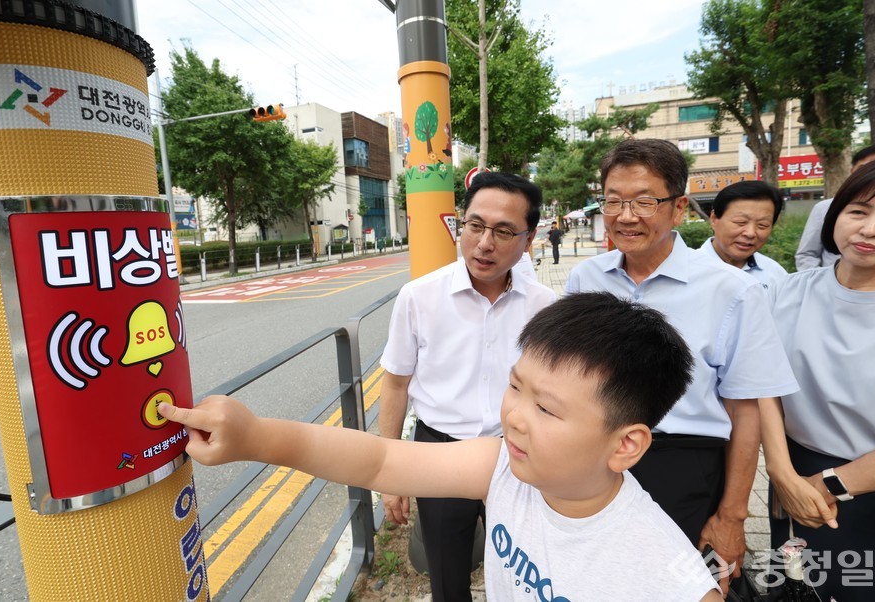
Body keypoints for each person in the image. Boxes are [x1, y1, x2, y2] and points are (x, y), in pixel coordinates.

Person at [158, 292, 722, 601]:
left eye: (546, 408)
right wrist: (255, 436)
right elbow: (381, 460)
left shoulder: (667, 577)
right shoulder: (501, 465)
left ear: (626, 445)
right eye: (514, 387)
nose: (515, 418)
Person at [565, 138, 799, 594]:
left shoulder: (732, 291)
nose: (625, 215)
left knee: (676, 587)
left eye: (644, 201)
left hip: (683, 468)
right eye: (613, 201)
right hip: (595, 458)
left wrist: (732, 515)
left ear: (678, 209)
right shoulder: (585, 279)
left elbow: (745, 409)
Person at [760, 153, 875, 601]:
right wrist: (781, 473)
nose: (870, 229)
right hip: (793, 476)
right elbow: (763, 391)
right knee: (800, 587)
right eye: (858, 210)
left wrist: (828, 485)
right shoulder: (783, 293)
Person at [379, 171, 556, 601]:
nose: (484, 243)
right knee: (447, 576)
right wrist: (391, 473)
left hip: (518, 453)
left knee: (528, 573)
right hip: (438, 451)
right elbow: (396, 385)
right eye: (474, 225)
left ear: (529, 239)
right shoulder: (418, 297)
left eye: (503, 231)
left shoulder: (546, 309)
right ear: (461, 225)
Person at [794, 143, 875, 271]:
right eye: (864, 168)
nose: (869, 231)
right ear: (852, 171)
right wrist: (819, 286)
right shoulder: (825, 208)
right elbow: (806, 254)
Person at [700, 180, 788, 287]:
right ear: (714, 219)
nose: (750, 233)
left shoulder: (776, 275)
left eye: (762, 225)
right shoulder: (687, 272)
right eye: (740, 222)